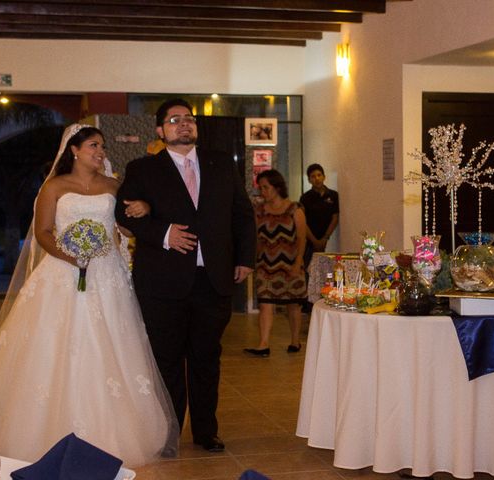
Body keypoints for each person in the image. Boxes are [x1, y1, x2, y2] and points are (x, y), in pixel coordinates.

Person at [0, 124, 178, 467]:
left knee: (110, 346)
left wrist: (141, 208)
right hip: (62, 275)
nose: (101, 152)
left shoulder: (114, 186)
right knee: (55, 346)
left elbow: (125, 228)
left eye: (103, 146)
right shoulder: (54, 186)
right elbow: (42, 232)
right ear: (75, 150)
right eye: (95, 145)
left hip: (107, 277)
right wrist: (73, 256)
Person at [115, 98, 256, 453]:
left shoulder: (221, 164)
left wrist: (245, 258)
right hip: (163, 283)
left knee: (207, 357)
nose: (184, 124)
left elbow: (242, 215)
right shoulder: (143, 169)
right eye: (174, 120)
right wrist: (164, 234)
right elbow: (125, 214)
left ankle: (207, 430)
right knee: (167, 360)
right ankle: (169, 433)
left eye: (189, 119)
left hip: (214, 279)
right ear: (161, 131)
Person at [244, 169, 307, 357]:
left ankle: (295, 341)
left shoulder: (295, 209)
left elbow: (302, 239)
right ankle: (263, 344)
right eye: (260, 188)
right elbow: (255, 237)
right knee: (265, 302)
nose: (263, 192)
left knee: (293, 304)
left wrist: (297, 263)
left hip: (291, 264)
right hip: (265, 265)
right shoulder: (259, 211)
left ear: (277, 187)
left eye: (266, 187)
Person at [299, 163, 339, 311]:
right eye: (313, 176)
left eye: (319, 175)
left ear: (324, 176)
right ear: (309, 180)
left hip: (325, 240)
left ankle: (323, 300)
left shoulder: (333, 196)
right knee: (308, 269)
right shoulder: (305, 198)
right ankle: (308, 304)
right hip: (309, 241)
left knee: (325, 270)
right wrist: (315, 241)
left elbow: (335, 217)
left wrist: (325, 238)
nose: (316, 179)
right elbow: (302, 221)